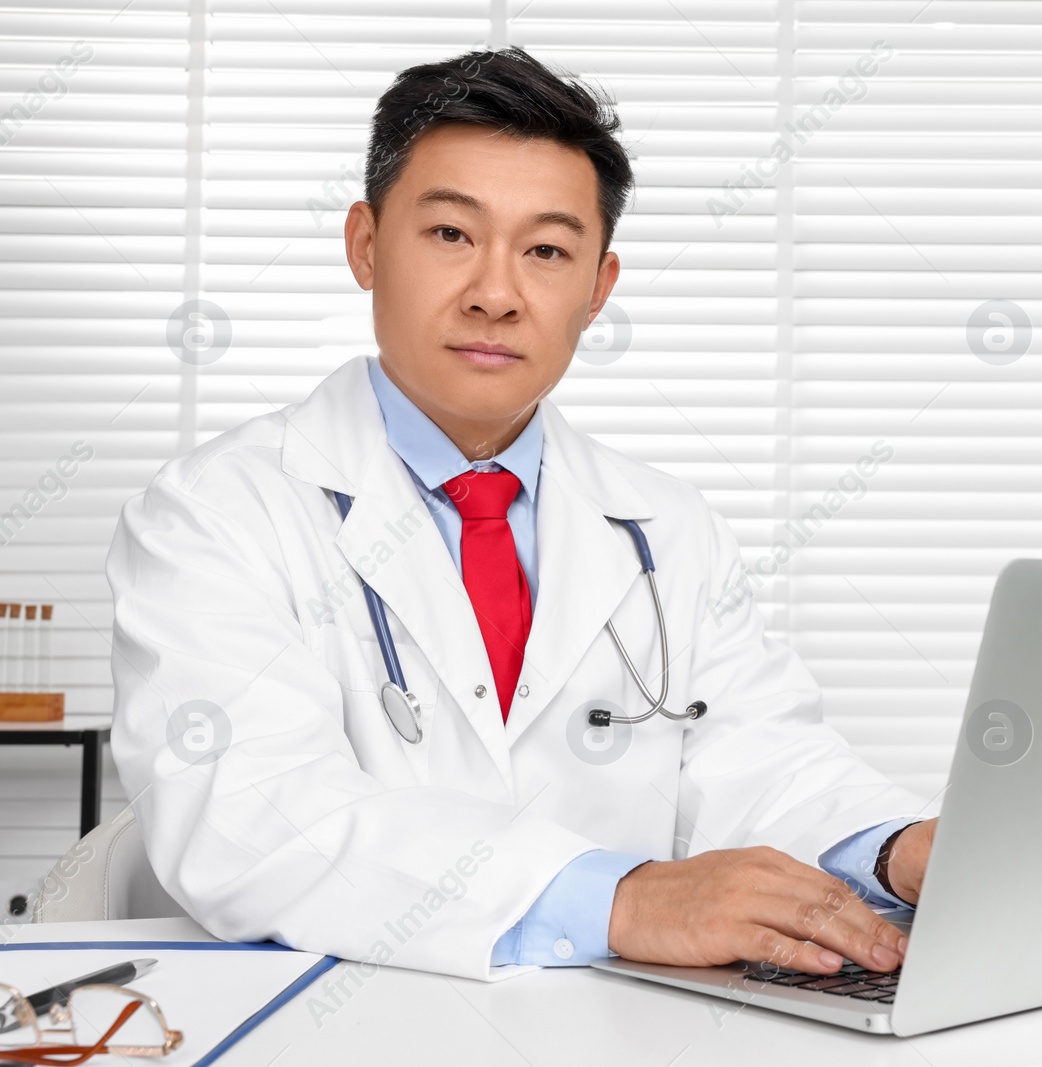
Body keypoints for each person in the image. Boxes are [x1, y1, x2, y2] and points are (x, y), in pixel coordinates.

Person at [107, 46, 938, 981]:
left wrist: (898, 849)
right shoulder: (215, 514)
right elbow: (247, 811)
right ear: (366, 246)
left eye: (546, 250)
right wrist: (619, 897)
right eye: (452, 235)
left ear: (598, 288)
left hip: (615, 1029)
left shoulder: (668, 529)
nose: (496, 295)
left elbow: (761, 757)